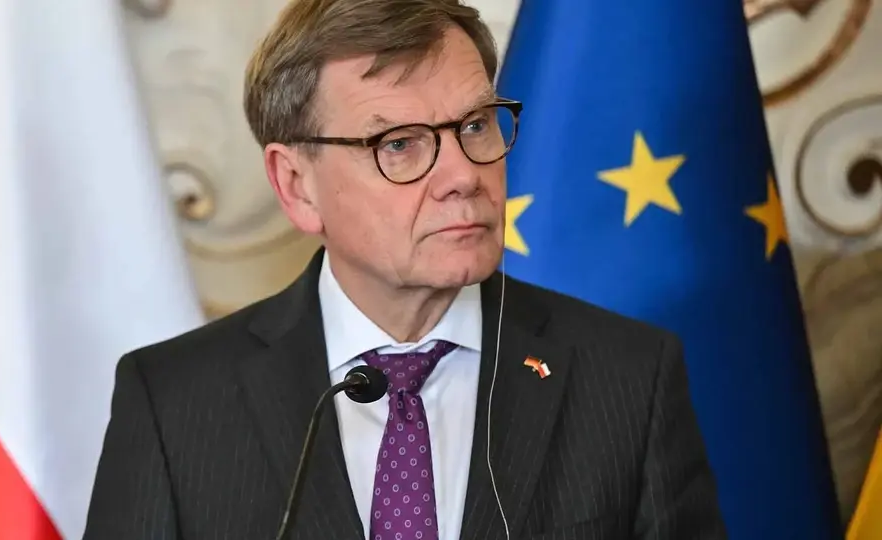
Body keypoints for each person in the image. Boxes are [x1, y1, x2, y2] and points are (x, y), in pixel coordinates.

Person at [82, 0, 727, 538]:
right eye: (398, 144)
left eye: (476, 125)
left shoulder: (628, 379)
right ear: (297, 185)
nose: (463, 175)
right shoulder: (174, 404)